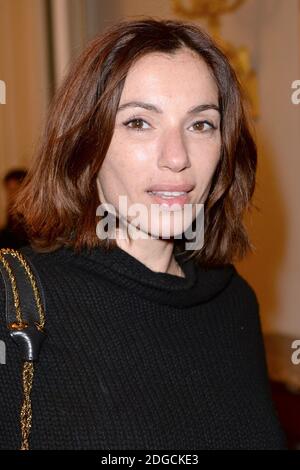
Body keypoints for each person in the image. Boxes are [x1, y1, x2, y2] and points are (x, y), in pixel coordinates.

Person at [0, 18, 286, 450]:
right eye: (138, 122)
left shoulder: (233, 302)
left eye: (201, 124)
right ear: (85, 143)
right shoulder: (15, 302)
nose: (177, 158)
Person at [0, 169, 28, 249]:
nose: (10, 195)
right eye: (9, 190)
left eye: (15, 190)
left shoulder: (33, 215)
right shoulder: (10, 212)